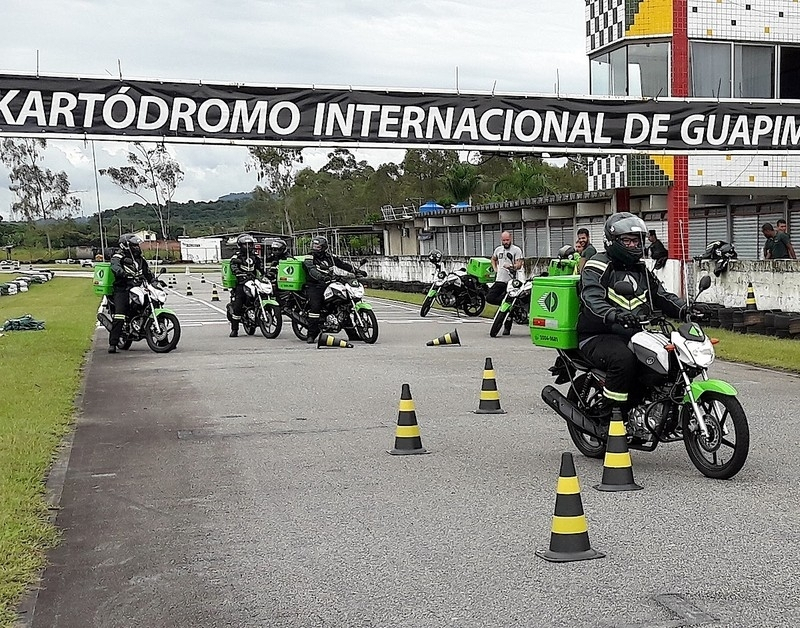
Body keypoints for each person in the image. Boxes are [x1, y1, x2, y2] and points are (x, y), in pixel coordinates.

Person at [576, 213, 710, 418]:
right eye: (628, 241)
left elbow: (661, 296)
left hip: (634, 333)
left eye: (637, 240)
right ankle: (612, 413)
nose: (634, 245)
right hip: (598, 334)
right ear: (612, 241)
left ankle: (655, 406)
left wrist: (686, 309)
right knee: (623, 360)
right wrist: (614, 314)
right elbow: (592, 299)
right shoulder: (598, 264)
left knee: (670, 358)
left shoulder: (641, 269)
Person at [301, 236, 365, 344]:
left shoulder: (329, 257)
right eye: (314, 246)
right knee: (315, 307)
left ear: (324, 247)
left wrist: (356, 271)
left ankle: (352, 334)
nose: (315, 248)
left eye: (318, 246)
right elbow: (311, 269)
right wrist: (320, 277)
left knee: (344, 304)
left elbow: (342, 264)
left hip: (329, 282)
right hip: (314, 285)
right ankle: (311, 335)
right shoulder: (309, 257)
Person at [108, 234, 155, 353]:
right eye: (134, 245)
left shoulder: (140, 259)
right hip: (122, 288)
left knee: (153, 303)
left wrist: (153, 280)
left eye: (137, 245)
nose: (137, 247)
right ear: (125, 245)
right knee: (120, 313)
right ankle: (113, 343)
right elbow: (115, 266)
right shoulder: (118, 256)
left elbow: (147, 272)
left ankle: (163, 340)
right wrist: (121, 272)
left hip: (138, 287)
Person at [487, 231, 524, 335]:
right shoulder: (498, 249)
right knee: (489, 297)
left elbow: (519, 264)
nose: (505, 242)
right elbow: (493, 259)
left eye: (507, 240)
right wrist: (496, 269)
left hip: (511, 281)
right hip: (500, 280)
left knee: (510, 301)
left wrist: (512, 266)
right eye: (504, 240)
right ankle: (506, 304)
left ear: (510, 239)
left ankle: (507, 328)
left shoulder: (516, 250)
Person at [228, 234, 264, 337]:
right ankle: (234, 329)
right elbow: (233, 267)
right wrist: (239, 273)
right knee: (238, 305)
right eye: (246, 245)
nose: (248, 247)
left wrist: (266, 274)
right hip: (241, 282)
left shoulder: (255, 256)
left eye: (250, 244)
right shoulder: (236, 257)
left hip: (253, 281)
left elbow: (260, 267)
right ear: (240, 245)